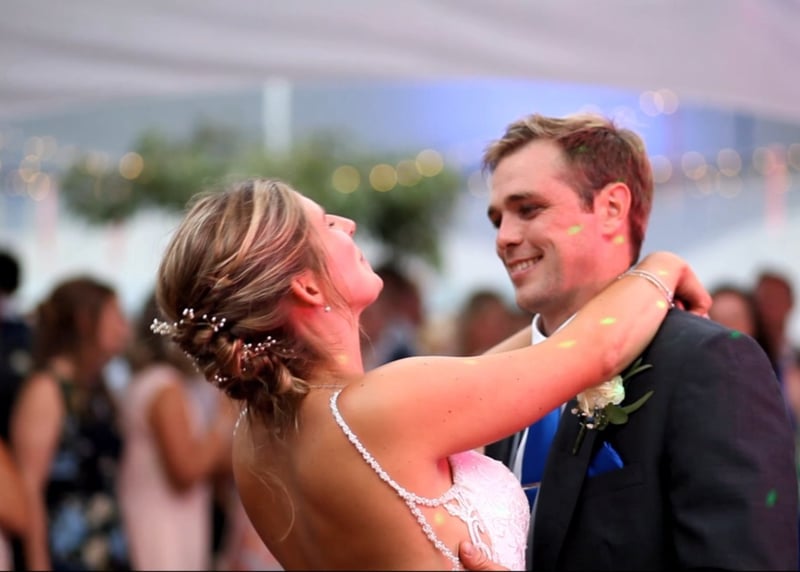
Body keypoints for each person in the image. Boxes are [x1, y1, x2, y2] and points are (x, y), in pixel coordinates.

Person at [151, 177, 709, 570]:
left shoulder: (253, 441)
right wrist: (661, 267)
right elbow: (596, 351)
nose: (348, 223)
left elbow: (492, 372)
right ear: (308, 286)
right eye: (326, 223)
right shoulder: (384, 405)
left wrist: (557, 316)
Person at [461, 113, 798, 570]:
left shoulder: (707, 363)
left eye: (529, 209)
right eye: (497, 219)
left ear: (612, 208)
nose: (504, 238)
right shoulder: (499, 385)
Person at [11, 276, 131, 571]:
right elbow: (29, 488)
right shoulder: (46, 390)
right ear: (85, 322)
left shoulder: (93, 387)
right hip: (66, 551)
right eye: (115, 317)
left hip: (103, 545)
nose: (124, 328)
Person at [117, 292, 234, 570]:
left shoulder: (150, 381)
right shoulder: (164, 387)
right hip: (163, 525)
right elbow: (186, 470)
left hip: (165, 517)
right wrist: (225, 416)